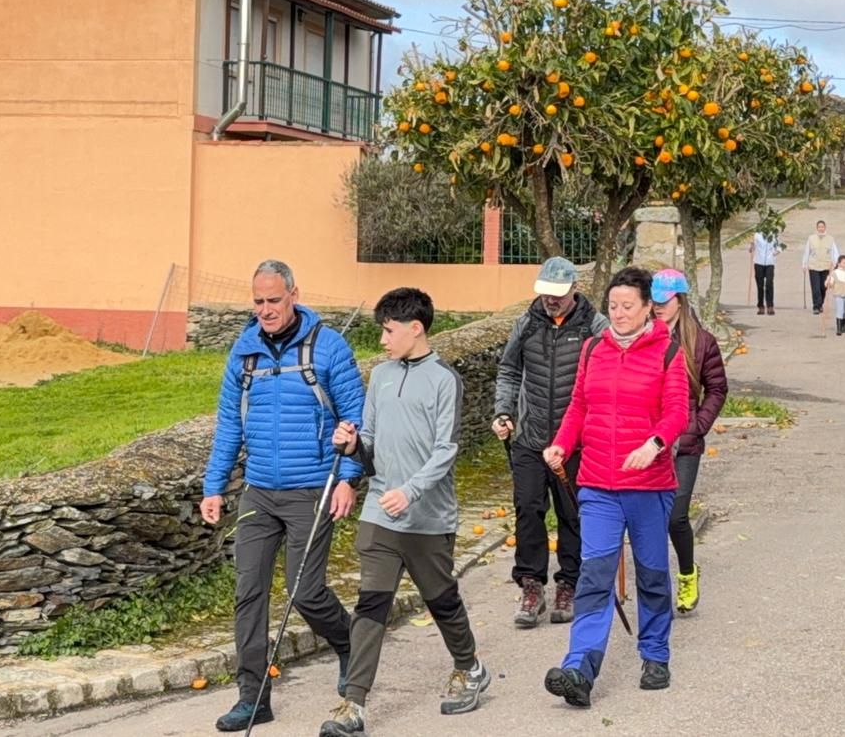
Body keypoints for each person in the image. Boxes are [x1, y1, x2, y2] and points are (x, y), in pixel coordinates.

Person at [200, 260, 366, 732]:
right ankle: (253, 698)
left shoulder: (328, 347)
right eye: (258, 301)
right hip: (259, 492)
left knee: (305, 592)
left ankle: (350, 645)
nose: (266, 310)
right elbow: (229, 425)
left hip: (312, 487)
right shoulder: (244, 353)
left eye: (274, 300)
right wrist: (213, 487)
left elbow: (355, 418)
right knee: (248, 593)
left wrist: (348, 478)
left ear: (294, 294)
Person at [320, 288, 489, 737]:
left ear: (416, 328)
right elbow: (370, 442)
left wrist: (411, 492)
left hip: (428, 517)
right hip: (380, 513)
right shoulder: (380, 375)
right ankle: (353, 704)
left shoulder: (444, 380)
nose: (382, 340)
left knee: (441, 600)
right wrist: (351, 445)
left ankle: (469, 666)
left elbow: (446, 450)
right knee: (371, 604)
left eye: (389, 330)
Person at [540, 267, 691, 709]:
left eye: (628, 306)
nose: (619, 313)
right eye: (613, 306)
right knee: (595, 576)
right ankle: (579, 669)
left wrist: (654, 444)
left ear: (647, 309)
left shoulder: (668, 352)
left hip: (648, 484)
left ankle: (655, 655)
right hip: (597, 485)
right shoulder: (594, 349)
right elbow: (579, 406)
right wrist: (561, 444)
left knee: (651, 573)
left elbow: (677, 411)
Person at [493, 257, 608, 629]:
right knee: (528, 509)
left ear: (575, 289)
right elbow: (509, 370)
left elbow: (609, 376)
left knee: (572, 513)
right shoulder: (526, 323)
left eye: (558, 294)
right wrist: (503, 411)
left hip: (575, 442)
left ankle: (569, 584)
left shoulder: (594, 327)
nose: (550, 300)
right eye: (545, 293)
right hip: (529, 437)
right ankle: (531, 586)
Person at [650, 269, 727, 616]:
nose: (657, 307)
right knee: (650, 518)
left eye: (664, 302)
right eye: (653, 301)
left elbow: (717, 389)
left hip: (685, 443)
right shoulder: (641, 337)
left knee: (675, 516)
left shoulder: (702, 342)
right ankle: (655, 587)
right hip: (648, 440)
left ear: (679, 301)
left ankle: (686, 573)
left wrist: (698, 426)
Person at [801, 220, 840, 315]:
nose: (821, 228)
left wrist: (836, 263)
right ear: (817, 228)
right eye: (819, 227)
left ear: (825, 228)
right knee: (815, 287)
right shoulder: (811, 238)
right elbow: (807, 251)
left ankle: (820, 304)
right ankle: (816, 306)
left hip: (826, 266)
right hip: (813, 265)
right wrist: (804, 264)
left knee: (823, 287)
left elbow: (834, 252)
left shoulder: (830, 239)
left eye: (822, 227)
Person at [749, 228, 782, 315]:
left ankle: (770, 306)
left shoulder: (774, 235)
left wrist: (776, 252)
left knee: (769, 284)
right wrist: (751, 246)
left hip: (770, 263)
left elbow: (779, 247)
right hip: (758, 262)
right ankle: (761, 306)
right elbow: (751, 249)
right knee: (760, 286)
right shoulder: (757, 235)